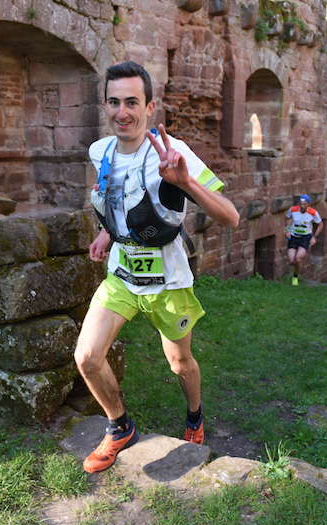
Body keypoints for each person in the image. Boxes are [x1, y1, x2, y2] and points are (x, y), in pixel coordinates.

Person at [73, 61, 240, 474]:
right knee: (88, 356)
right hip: (123, 277)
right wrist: (106, 233)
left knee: (180, 363)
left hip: (169, 282)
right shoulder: (101, 152)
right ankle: (120, 427)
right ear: (106, 105)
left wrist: (185, 183)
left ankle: (195, 415)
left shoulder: (172, 152)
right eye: (114, 102)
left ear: (150, 106)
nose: (122, 112)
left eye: (132, 102)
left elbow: (231, 217)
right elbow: (120, 200)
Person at [285, 194, 323, 286]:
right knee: (291, 261)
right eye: (300, 204)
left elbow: (320, 225)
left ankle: (295, 276)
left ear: (308, 204)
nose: (302, 206)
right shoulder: (293, 209)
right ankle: (295, 269)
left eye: (304, 204)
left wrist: (314, 236)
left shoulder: (313, 213)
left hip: (305, 238)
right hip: (293, 237)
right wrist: (287, 230)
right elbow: (287, 218)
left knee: (298, 259)